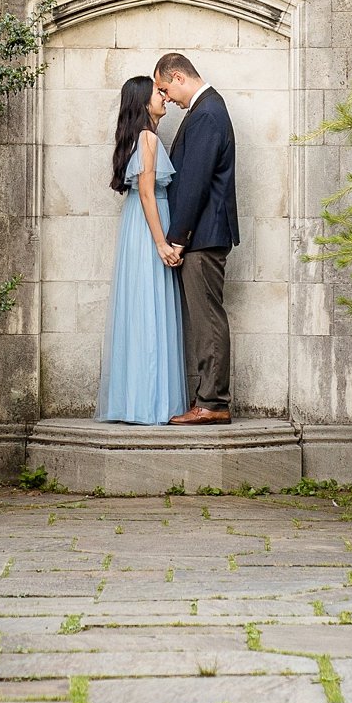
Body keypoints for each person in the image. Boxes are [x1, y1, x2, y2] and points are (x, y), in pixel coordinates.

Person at [96, 75, 187, 425]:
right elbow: (148, 192)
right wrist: (162, 241)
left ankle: (139, 400)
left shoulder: (142, 138)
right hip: (150, 224)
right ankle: (151, 403)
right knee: (150, 308)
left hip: (140, 224)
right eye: (157, 93)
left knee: (143, 308)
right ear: (142, 102)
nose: (163, 97)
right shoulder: (147, 138)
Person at [155, 51, 238, 425]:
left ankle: (213, 402)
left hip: (202, 236)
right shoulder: (207, 109)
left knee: (207, 319)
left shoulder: (206, 113)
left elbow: (194, 184)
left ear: (178, 76)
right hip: (202, 235)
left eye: (164, 88)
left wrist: (178, 238)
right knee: (206, 317)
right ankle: (209, 399)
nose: (166, 98)